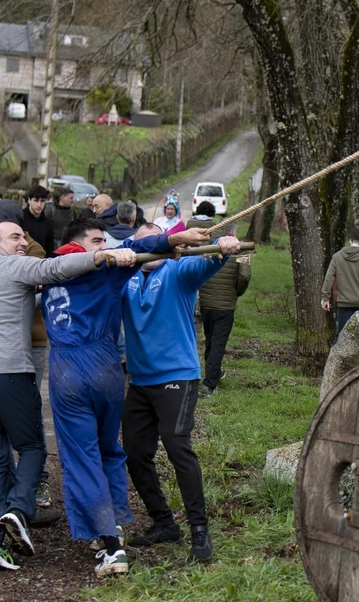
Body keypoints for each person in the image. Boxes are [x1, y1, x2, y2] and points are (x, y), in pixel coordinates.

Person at [0, 218, 132, 572]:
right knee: (33, 447)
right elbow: (54, 267)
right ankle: (19, 509)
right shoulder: (12, 265)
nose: (23, 242)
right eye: (15, 237)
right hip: (5, 373)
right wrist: (101, 257)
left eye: (24, 236)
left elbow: (44, 295)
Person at [43, 217, 210, 578]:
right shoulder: (105, 270)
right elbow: (132, 251)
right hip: (112, 373)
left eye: (105, 240)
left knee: (84, 456)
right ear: (77, 243)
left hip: (77, 369)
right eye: (96, 240)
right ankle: (124, 521)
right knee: (119, 451)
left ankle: (110, 539)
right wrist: (168, 239)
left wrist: (207, 250)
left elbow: (148, 253)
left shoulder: (48, 270)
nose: (103, 247)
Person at [121, 223, 242, 563]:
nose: (148, 245)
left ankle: (200, 534)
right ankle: (164, 523)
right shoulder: (126, 278)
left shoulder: (178, 270)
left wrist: (222, 245)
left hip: (177, 376)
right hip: (140, 380)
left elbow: (209, 259)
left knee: (177, 447)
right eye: (144, 239)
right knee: (134, 452)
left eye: (154, 237)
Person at [197, 235, 251, 394]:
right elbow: (244, 276)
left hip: (206, 303)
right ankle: (210, 384)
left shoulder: (207, 248)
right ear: (233, 231)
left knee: (210, 339)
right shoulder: (241, 250)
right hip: (225, 305)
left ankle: (215, 372)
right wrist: (237, 292)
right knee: (218, 343)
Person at [320, 226, 359, 345]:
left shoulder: (337, 257)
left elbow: (329, 278)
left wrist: (325, 298)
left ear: (350, 241)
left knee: (341, 335)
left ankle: (333, 359)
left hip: (345, 303)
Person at [23, 184, 56, 252]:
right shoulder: (20, 218)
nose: (39, 205)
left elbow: (49, 248)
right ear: (29, 200)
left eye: (42, 201)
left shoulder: (48, 223)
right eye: (36, 200)